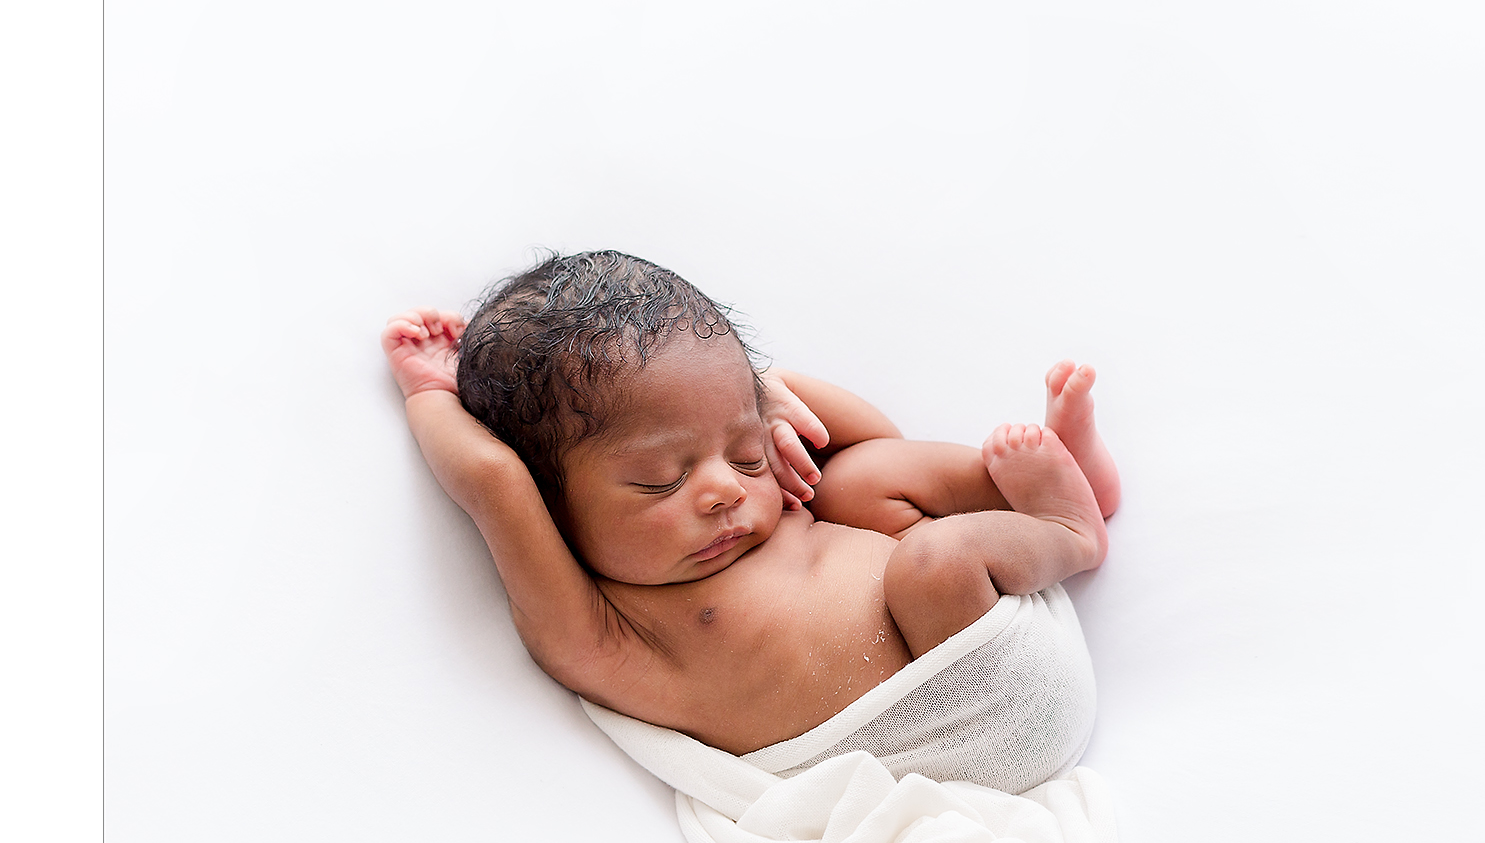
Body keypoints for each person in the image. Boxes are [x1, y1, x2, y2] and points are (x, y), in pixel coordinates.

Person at [380, 250, 1120, 761]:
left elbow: (877, 436)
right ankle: (1066, 530)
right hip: (980, 722)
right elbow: (493, 482)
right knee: (932, 560)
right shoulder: (607, 635)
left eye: (741, 453)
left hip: (986, 636)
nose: (727, 488)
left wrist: (765, 396)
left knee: (856, 475)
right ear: (554, 507)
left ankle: (1063, 486)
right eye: (659, 482)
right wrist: (429, 391)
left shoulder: (772, 504)